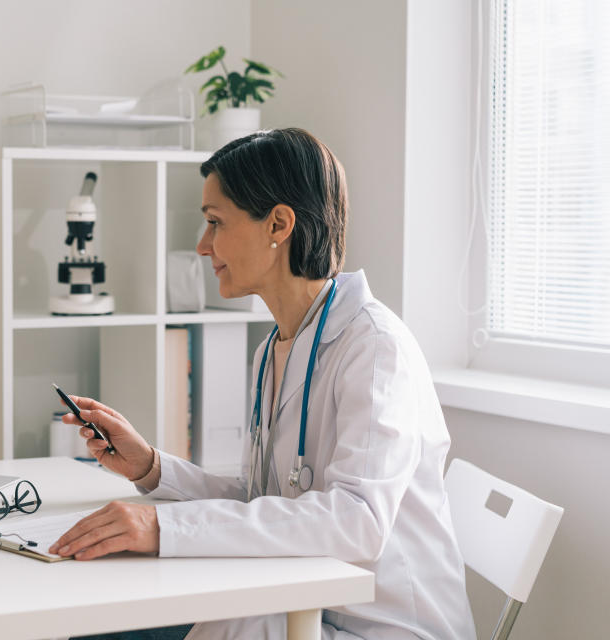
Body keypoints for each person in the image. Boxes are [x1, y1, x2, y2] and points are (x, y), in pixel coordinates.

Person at [50, 129, 477, 639]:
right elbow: (262, 500)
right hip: (303, 603)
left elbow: (356, 521)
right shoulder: (275, 346)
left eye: (215, 223)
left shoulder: (375, 348)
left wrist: (162, 527)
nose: (202, 245)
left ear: (278, 224)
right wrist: (152, 467)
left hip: (380, 626)